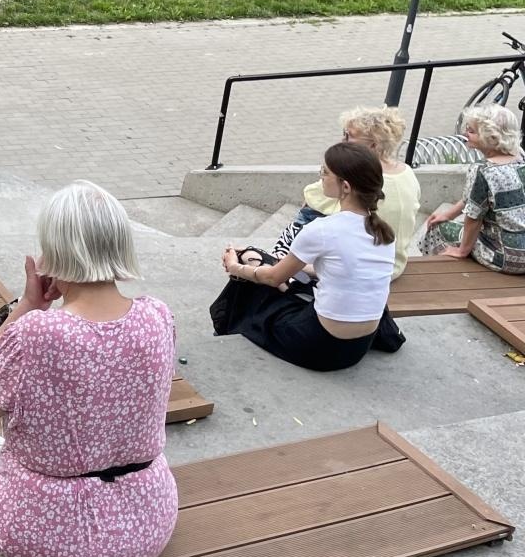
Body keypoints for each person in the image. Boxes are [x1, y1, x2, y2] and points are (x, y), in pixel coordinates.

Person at [0, 182, 178, 557]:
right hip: (147, 527)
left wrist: (28, 305)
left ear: (55, 254)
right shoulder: (158, 317)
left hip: (44, 541)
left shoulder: (40, 332)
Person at [214, 142, 402, 371]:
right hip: (358, 347)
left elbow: (272, 278)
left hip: (319, 347)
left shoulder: (322, 229)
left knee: (253, 276)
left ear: (345, 187)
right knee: (271, 266)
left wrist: (235, 267)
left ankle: (225, 327)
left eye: (325, 172)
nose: (321, 177)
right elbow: (342, 271)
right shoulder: (384, 232)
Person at [269, 105, 420, 278]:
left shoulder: (358, 175)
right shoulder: (407, 173)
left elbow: (313, 198)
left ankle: (279, 265)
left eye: (349, 136)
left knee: (304, 221)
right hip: (394, 264)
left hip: (366, 270)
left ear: (372, 145)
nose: (342, 141)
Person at [419, 104, 524, 273]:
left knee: (437, 228)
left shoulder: (483, 170)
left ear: (491, 137)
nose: (465, 134)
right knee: (449, 221)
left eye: (472, 131)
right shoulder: (520, 156)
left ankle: (437, 273)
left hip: (506, 257)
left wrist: (462, 251)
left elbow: (473, 217)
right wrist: (449, 213)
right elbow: (475, 198)